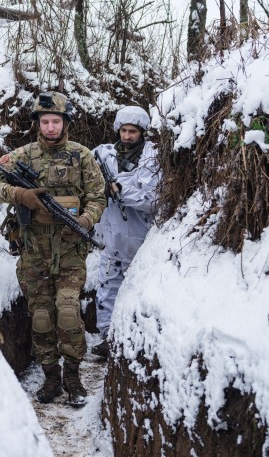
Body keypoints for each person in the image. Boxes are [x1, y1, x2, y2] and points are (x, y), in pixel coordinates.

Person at [0, 92, 106, 407]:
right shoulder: (21, 155)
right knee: (40, 316)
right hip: (34, 250)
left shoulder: (82, 156)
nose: (51, 127)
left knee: (66, 311)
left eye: (56, 121)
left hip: (71, 250)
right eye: (45, 121)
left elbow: (98, 195)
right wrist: (20, 195)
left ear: (65, 123)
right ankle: (51, 378)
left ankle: (73, 378)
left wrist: (87, 220)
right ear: (38, 123)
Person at [91, 106, 160, 359]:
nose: (128, 136)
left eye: (133, 131)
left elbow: (151, 198)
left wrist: (120, 190)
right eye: (124, 130)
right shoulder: (103, 154)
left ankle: (132, 339)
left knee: (136, 291)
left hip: (140, 239)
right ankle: (108, 338)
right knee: (107, 288)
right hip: (110, 236)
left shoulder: (152, 157)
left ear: (142, 132)